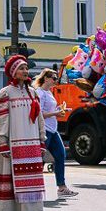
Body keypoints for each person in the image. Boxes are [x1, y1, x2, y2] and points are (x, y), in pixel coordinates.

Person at [0, 55, 46, 211]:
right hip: (13, 142)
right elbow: (1, 119)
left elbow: (39, 118)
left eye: (26, 68)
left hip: (31, 143)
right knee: (11, 179)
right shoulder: (6, 93)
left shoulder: (33, 92)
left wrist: (41, 140)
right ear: (13, 72)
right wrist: (3, 143)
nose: (25, 71)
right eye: (21, 68)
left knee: (29, 180)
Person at [35, 68, 77, 198]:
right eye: (54, 78)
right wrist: (55, 113)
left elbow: (49, 111)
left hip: (53, 129)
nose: (56, 81)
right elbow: (39, 113)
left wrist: (59, 110)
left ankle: (62, 187)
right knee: (39, 159)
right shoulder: (40, 93)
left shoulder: (49, 92)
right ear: (46, 78)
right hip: (45, 129)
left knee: (60, 155)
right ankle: (34, 186)